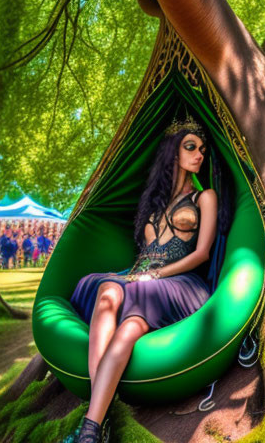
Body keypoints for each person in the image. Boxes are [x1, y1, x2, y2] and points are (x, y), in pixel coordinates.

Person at [69, 118, 230, 443]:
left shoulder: (205, 198)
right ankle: (95, 424)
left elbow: (201, 254)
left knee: (130, 307)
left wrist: (154, 275)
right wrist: (138, 276)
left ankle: (92, 421)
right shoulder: (152, 206)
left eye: (201, 149)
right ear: (172, 153)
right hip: (142, 279)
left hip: (180, 284)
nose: (199, 155)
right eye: (190, 147)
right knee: (107, 293)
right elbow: (144, 258)